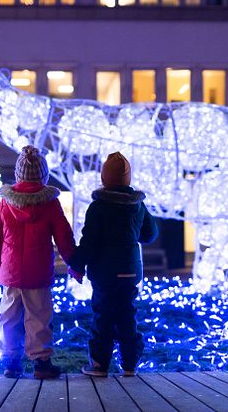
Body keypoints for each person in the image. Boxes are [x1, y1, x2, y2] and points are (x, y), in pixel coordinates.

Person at [0, 146, 75, 379]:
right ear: (44, 176)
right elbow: (64, 236)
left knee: (9, 317)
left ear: (18, 175)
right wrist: (73, 263)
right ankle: (41, 361)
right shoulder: (51, 204)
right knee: (39, 317)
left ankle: (11, 360)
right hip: (38, 273)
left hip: (11, 273)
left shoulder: (6, 204)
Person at [68, 152, 158, 377]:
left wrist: (77, 265)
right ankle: (130, 364)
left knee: (103, 316)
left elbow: (88, 242)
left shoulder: (98, 207)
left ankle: (99, 364)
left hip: (105, 273)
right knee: (128, 315)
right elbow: (150, 234)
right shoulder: (138, 206)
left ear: (104, 178)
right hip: (130, 270)